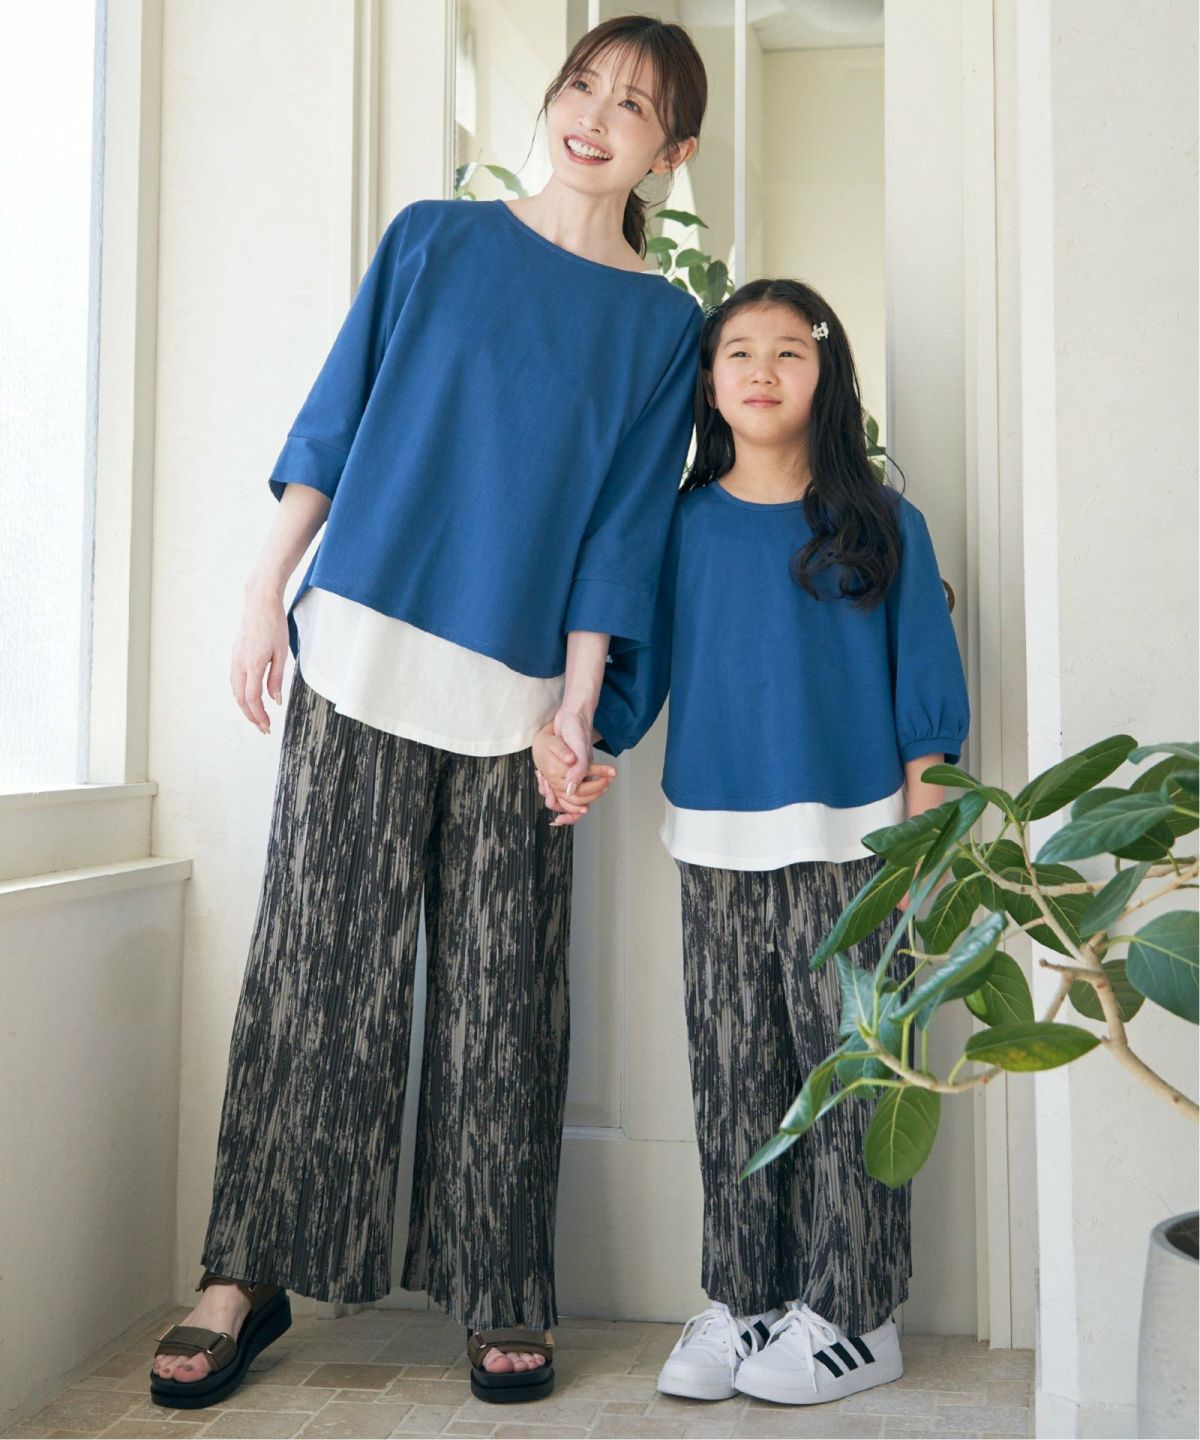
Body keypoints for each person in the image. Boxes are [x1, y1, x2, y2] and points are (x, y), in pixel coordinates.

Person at [148, 15, 707, 1412]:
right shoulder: (432, 240)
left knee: (504, 1003)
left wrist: (580, 707)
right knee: (313, 974)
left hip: (519, 703)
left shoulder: (661, 324)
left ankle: (503, 1286)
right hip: (358, 656)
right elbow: (334, 422)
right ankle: (242, 1275)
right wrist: (263, 593)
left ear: (671, 153)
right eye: (582, 85)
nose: (594, 117)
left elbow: (623, 531)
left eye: (633, 108)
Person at [533, 278, 970, 1405]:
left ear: (827, 375)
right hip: (715, 844)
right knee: (733, 1081)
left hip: (859, 851)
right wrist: (585, 741)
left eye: (789, 350)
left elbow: (926, 699)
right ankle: (748, 1298)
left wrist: (924, 851)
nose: (763, 370)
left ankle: (858, 1314)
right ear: (710, 381)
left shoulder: (885, 523)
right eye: (739, 351)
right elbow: (639, 670)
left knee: (855, 1080)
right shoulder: (681, 525)